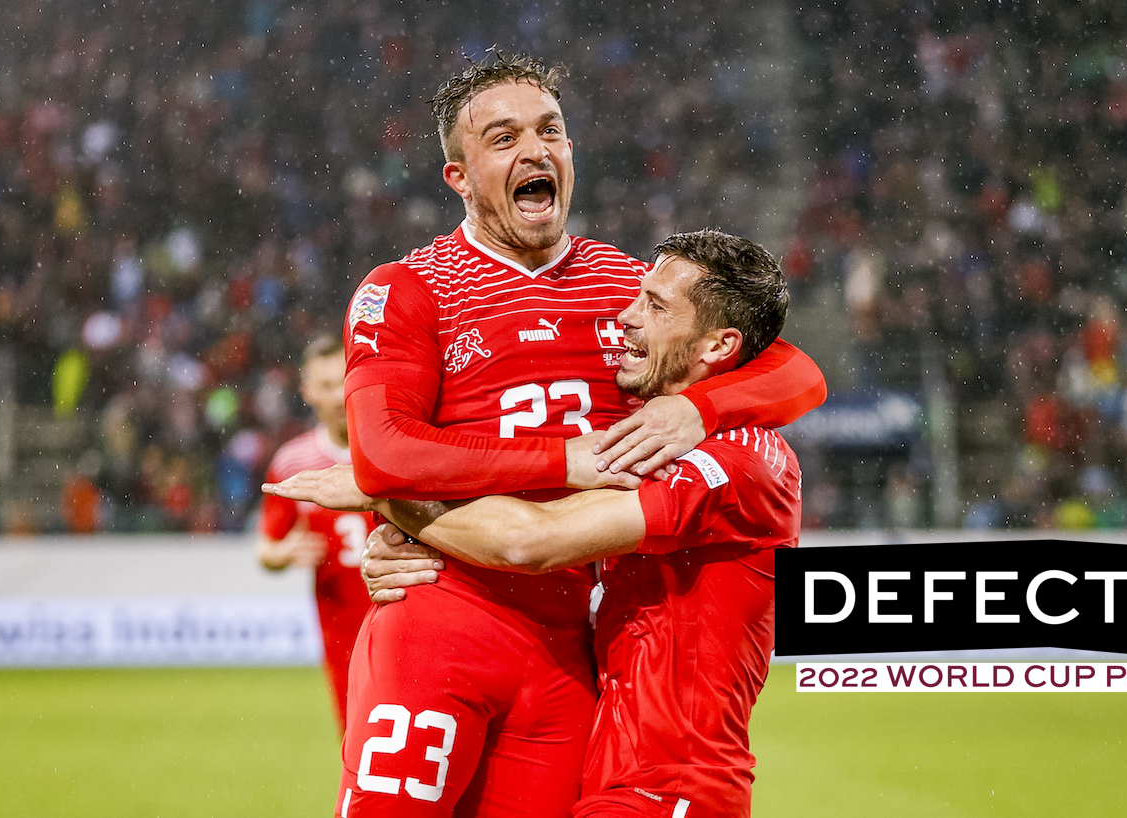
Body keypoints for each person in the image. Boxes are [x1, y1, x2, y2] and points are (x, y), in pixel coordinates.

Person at [327, 53, 825, 817]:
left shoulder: (632, 288)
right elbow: (384, 452)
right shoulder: (409, 287)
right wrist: (561, 458)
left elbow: (796, 371)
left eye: (550, 131)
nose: (535, 150)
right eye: (503, 138)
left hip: (567, 649)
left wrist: (705, 409)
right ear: (458, 176)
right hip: (440, 616)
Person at [268, 229, 801, 817]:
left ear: (718, 346)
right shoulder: (662, 438)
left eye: (653, 305)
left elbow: (531, 539)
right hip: (609, 772)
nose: (625, 316)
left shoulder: (734, 462)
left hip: (673, 788)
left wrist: (390, 495)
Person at [256, 335, 372, 734]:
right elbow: (266, 551)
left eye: (344, 380)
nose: (339, 395)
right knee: (357, 737)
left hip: (409, 615)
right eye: (325, 385)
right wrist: (286, 552)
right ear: (307, 392)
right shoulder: (293, 462)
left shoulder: (391, 449)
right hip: (341, 632)